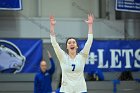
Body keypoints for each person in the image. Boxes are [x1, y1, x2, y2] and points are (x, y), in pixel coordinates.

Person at [50, 14, 94, 93]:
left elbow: (89, 42)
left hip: (81, 90)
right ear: (67, 47)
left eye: (74, 42)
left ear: (77, 46)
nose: (72, 44)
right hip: (66, 90)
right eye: (69, 42)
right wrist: (52, 26)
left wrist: (90, 25)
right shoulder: (63, 57)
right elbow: (54, 43)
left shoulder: (82, 57)